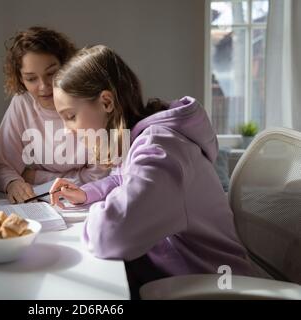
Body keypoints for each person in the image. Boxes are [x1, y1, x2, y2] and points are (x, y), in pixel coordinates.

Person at [49, 45, 255, 298]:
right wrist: (87, 193)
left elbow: (111, 235)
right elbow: (124, 179)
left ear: (106, 102)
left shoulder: (160, 150)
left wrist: (97, 212)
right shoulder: (143, 139)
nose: (67, 129)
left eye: (70, 116)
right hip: (177, 277)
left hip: (210, 288)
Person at [0, 27, 110, 204]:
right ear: (21, 80)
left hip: (86, 201)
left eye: (51, 74)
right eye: (31, 78)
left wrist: (34, 176)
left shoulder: (89, 101)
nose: (44, 87)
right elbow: (3, 167)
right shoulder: (22, 104)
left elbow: (101, 174)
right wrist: (13, 182)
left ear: (67, 67)